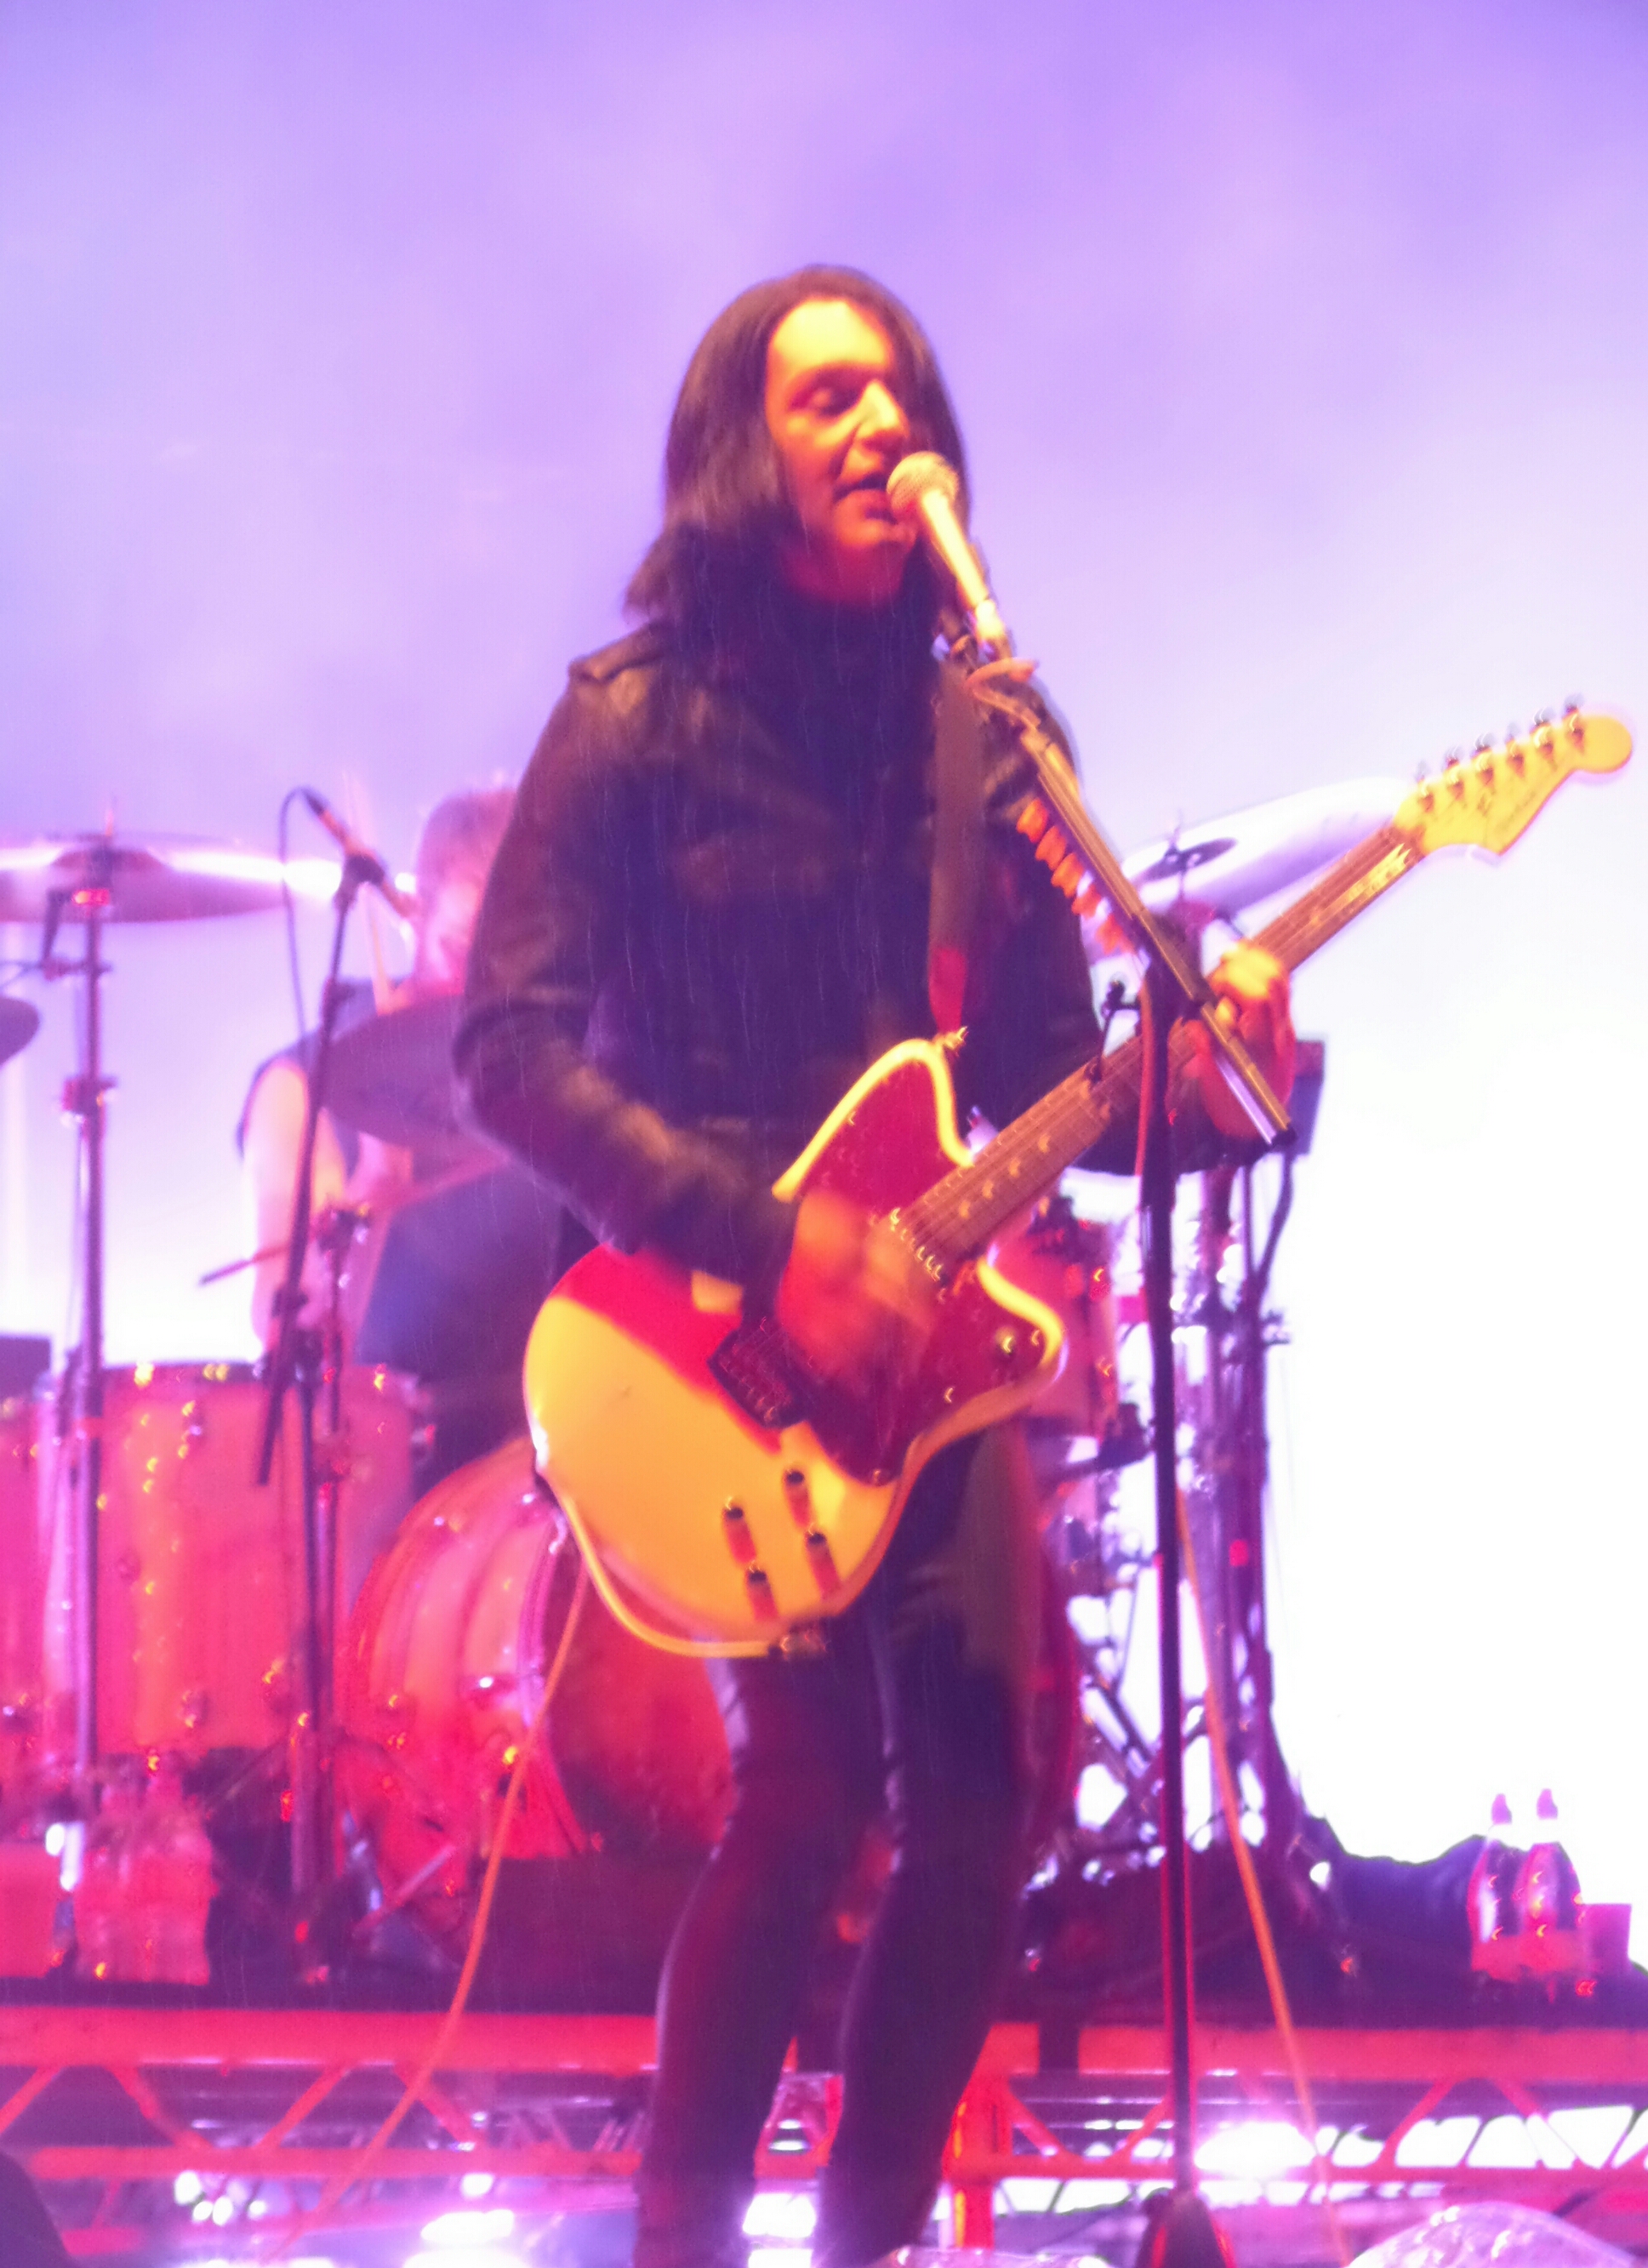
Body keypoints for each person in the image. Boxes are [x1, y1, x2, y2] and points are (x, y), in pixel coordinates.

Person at [454, 267, 1294, 2268]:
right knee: (808, 1787)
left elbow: (1038, 1083)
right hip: (707, 1327)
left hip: (923, 1340)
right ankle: (683, 2239)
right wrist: (769, 1241)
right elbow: (502, 1050)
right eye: (826, 395)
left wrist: (1205, 1084)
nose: (878, 423)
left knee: (983, 1803)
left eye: (897, 390)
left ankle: (862, 2240)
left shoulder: (983, 740)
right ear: (739, 450)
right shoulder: (628, 724)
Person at [242, 787, 571, 1489]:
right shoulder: (302, 1088)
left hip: (565, 1454)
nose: (483, 982)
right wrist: (373, 1189)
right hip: (389, 1478)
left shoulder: (562, 1065)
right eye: (463, 947)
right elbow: (292, 1340)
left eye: (513, 955)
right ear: (415, 914)